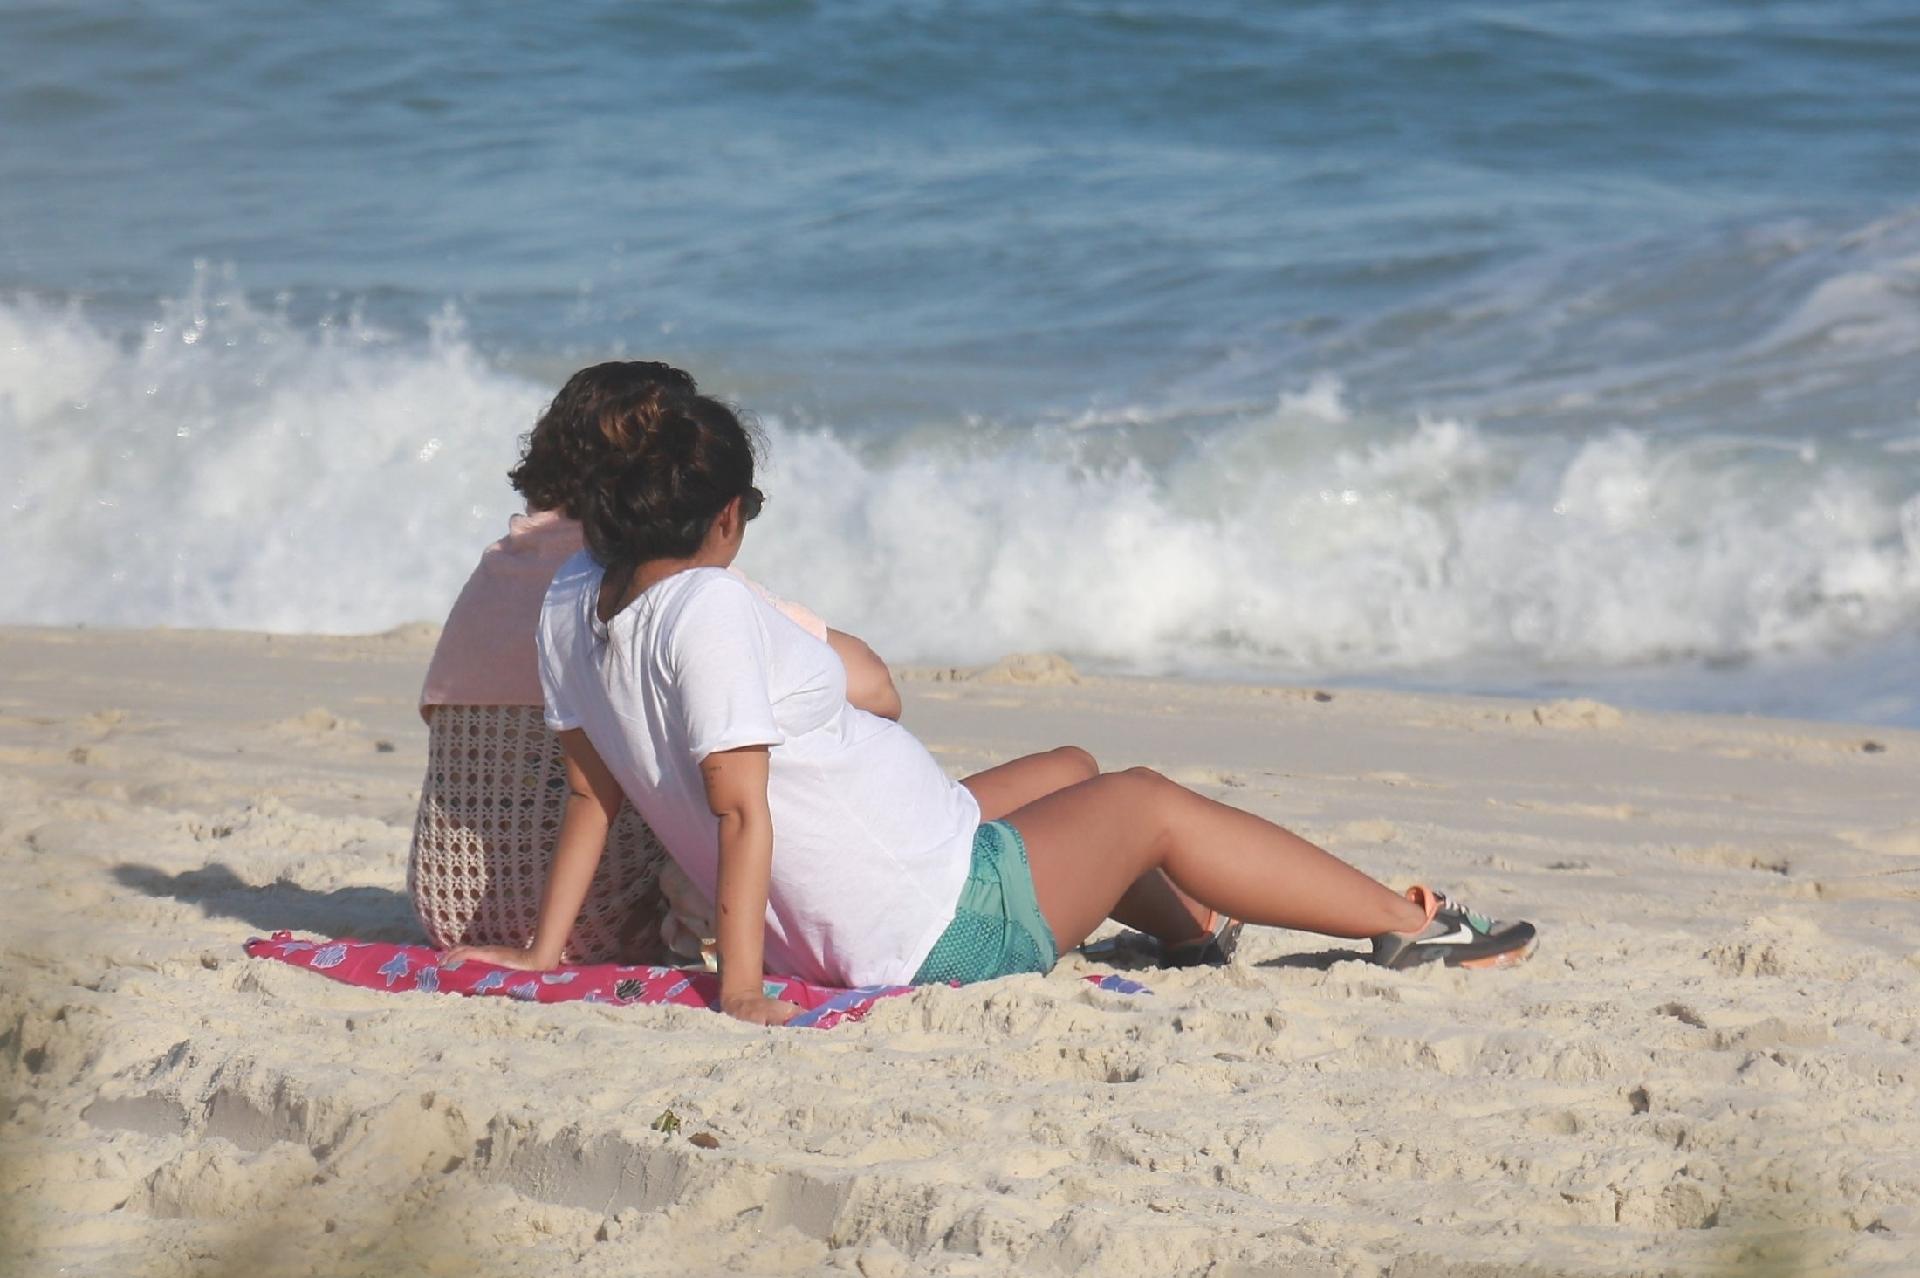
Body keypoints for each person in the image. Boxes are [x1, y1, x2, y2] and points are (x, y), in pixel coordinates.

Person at [446, 384, 1537, 1022]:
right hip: (939, 924)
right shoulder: (712, 615)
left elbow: (592, 796)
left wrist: (547, 956)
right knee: (1145, 799)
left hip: (893, 875)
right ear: (725, 519)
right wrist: (740, 992)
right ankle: (1412, 927)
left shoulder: (573, 601)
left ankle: (1196, 931)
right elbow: (740, 812)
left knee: (1070, 767)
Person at [409, 361, 898, 964]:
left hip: (450, 904)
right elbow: (877, 690)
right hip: (609, 912)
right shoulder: (655, 579)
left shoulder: (491, 574)